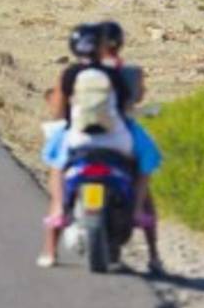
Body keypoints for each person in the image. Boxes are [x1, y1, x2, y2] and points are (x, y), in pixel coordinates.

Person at [37, 24, 133, 267]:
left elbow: (58, 111)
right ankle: (139, 213)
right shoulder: (113, 74)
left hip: (78, 139)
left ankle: (51, 247)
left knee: (57, 168)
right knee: (136, 167)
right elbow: (124, 109)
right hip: (114, 140)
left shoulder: (70, 74)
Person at [99, 20, 163, 273]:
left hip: (89, 132)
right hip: (123, 130)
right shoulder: (132, 72)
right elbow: (138, 98)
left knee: (59, 160)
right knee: (145, 167)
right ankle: (153, 253)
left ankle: (59, 210)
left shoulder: (83, 70)